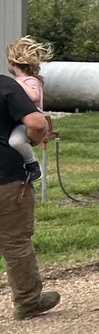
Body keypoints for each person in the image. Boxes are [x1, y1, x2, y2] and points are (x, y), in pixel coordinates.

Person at [0, 44, 57, 318]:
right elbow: (35, 123)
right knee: (15, 242)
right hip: (6, 178)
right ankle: (27, 302)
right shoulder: (6, 87)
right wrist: (34, 141)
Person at [6, 37, 49, 181]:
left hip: (28, 120)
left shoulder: (31, 80)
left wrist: (17, 86)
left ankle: (32, 165)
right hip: (20, 120)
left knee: (15, 142)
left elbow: (35, 96)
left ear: (12, 63)